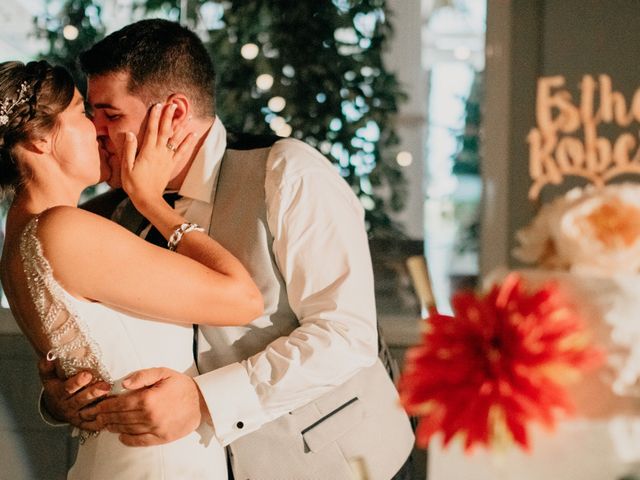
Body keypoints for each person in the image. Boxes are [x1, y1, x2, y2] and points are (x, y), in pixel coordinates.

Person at [39, 19, 415, 480]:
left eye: (111, 115)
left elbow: (344, 334)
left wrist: (203, 400)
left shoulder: (288, 173)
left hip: (346, 464)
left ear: (173, 114)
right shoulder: (111, 214)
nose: (96, 133)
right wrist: (64, 397)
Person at [0, 59, 264, 478]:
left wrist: (55, 402)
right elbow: (245, 300)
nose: (98, 130)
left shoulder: (19, 238)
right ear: (38, 140)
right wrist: (151, 202)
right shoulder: (63, 231)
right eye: (82, 114)